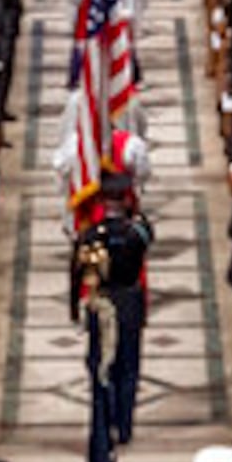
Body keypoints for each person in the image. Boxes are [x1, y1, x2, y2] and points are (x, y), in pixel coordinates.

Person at [77, 166, 156, 447]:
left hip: (102, 302)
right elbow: (148, 235)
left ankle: (104, 419)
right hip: (130, 301)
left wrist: (77, 310)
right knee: (128, 365)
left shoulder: (91, 235)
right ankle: (124, 426)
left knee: (101, 362)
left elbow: (78, 274)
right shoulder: (137, 231)